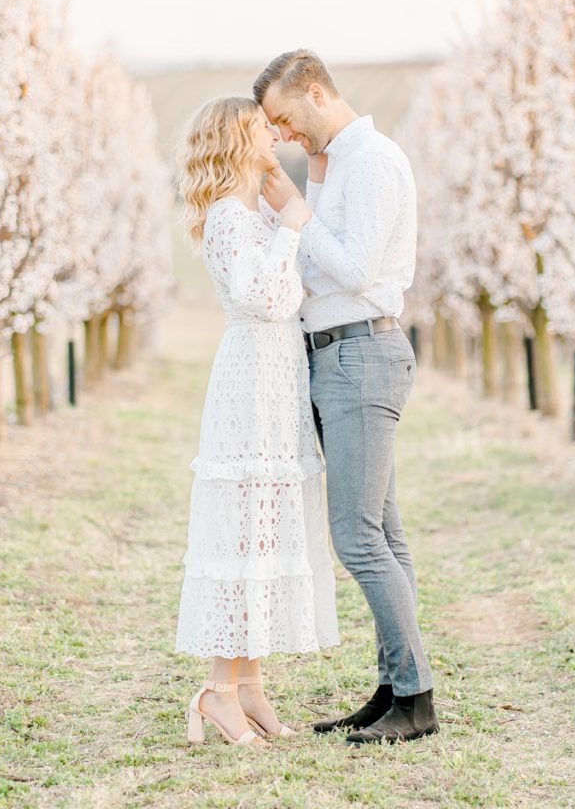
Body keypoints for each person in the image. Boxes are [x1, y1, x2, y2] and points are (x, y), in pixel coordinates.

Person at [255, 50, 439, 745]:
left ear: (314, 90)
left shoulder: (371, 159)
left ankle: (416, 699)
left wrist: (297, 212)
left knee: (357, 538)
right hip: (342, 354)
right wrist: (309, 198)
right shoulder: (340, 164)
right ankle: (397, 685)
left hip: (361, 353)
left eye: (283, 117)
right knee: (383, 534)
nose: (280, 133)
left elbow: (355, 266)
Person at [174, 95, 339, 749]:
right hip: (250, 380)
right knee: (243, 531)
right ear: (236, 142)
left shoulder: (256, 216)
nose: (275, 135)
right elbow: (265, 298)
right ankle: (217, 690)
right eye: (260, 129)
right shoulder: (225, 218)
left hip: (279, 380)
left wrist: (291, 215)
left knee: (266, 529)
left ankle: (248, 685)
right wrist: (294, 224)